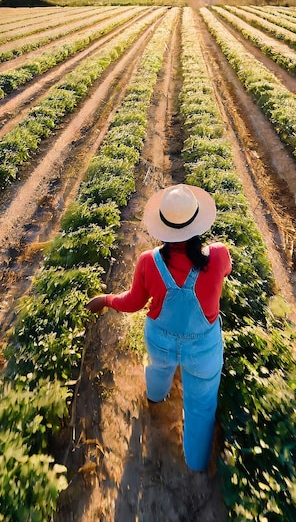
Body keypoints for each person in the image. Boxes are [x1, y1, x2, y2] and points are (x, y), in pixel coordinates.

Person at [86, 183, 231, 472]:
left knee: (158, 369)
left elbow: (132, 303)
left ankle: (155, 398)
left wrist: (105, 299)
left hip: (161, 339)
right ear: (197, 223)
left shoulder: (149, 262)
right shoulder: (217, 256)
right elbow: (223, 272)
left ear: (163, 227)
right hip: (203, 348)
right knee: (200, 407)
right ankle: (196, 463)